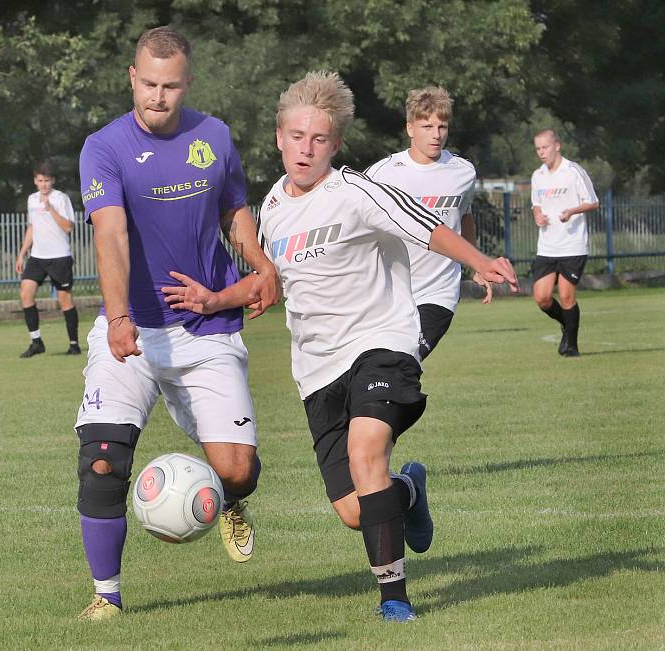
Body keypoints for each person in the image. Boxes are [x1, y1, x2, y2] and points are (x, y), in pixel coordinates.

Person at [163, 71, 518, 622]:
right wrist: (215, 300)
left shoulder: (355, 192)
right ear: (279, 138)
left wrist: (480, 262)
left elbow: (428, 228)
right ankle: (406, 492)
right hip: (317, 366)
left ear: (336, 144)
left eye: (320, 139)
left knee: (365, 450)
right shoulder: (274, 207)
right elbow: (269, 280)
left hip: (381, 341)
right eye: (297, 137)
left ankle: (394, 599)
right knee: (356, 510)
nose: (307, 149)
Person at [73, 26, 280, 621]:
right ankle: (106, 596)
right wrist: (116, 317)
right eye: (149, 84)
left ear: (186, 84)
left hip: (207, 329)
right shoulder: (103, 147)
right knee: (103, 459)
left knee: (237, 469)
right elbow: (109, 235)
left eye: (171, 87)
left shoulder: (213, 136)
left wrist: (259, 263)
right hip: (131, 329)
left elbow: (234, 208)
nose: (158, 97)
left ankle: (232, 501)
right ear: (132, 78)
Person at [365, 86, 491, 359]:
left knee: (405, 360)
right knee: (383, 371)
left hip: (439, 293)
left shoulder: (463, 172)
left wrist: (476, 264)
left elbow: (464, 216)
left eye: (442, 126)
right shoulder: (380, 174)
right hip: (390, 294)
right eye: (427, 126)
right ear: (410, 128)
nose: (436, 134)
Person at [531, 129, 599, 357]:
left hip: (572, 245)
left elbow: (593, 202)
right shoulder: (538, 175)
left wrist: (572, 211)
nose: (541, 152)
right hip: (547, 247)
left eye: (545, 147)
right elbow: (536, 204)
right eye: (538, 148)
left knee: (567, 296)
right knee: (542, 297)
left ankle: (571, 344)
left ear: (557, 146)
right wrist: (537, 215)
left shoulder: (573, 171)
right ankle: (566, 325)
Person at [15, 161, 80, 357]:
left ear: (53, 181)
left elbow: (69, 227)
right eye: (40, 180)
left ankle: (74, 344)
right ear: (35, 181)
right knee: (26, 294)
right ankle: (36, 342)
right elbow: (32, 227)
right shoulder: (32, 199)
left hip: (59, 256)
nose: (43, 184)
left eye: (47, 181)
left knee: (64, 300)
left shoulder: (60, 198)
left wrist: (51, 209)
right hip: (37, 257)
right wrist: (21, 253)